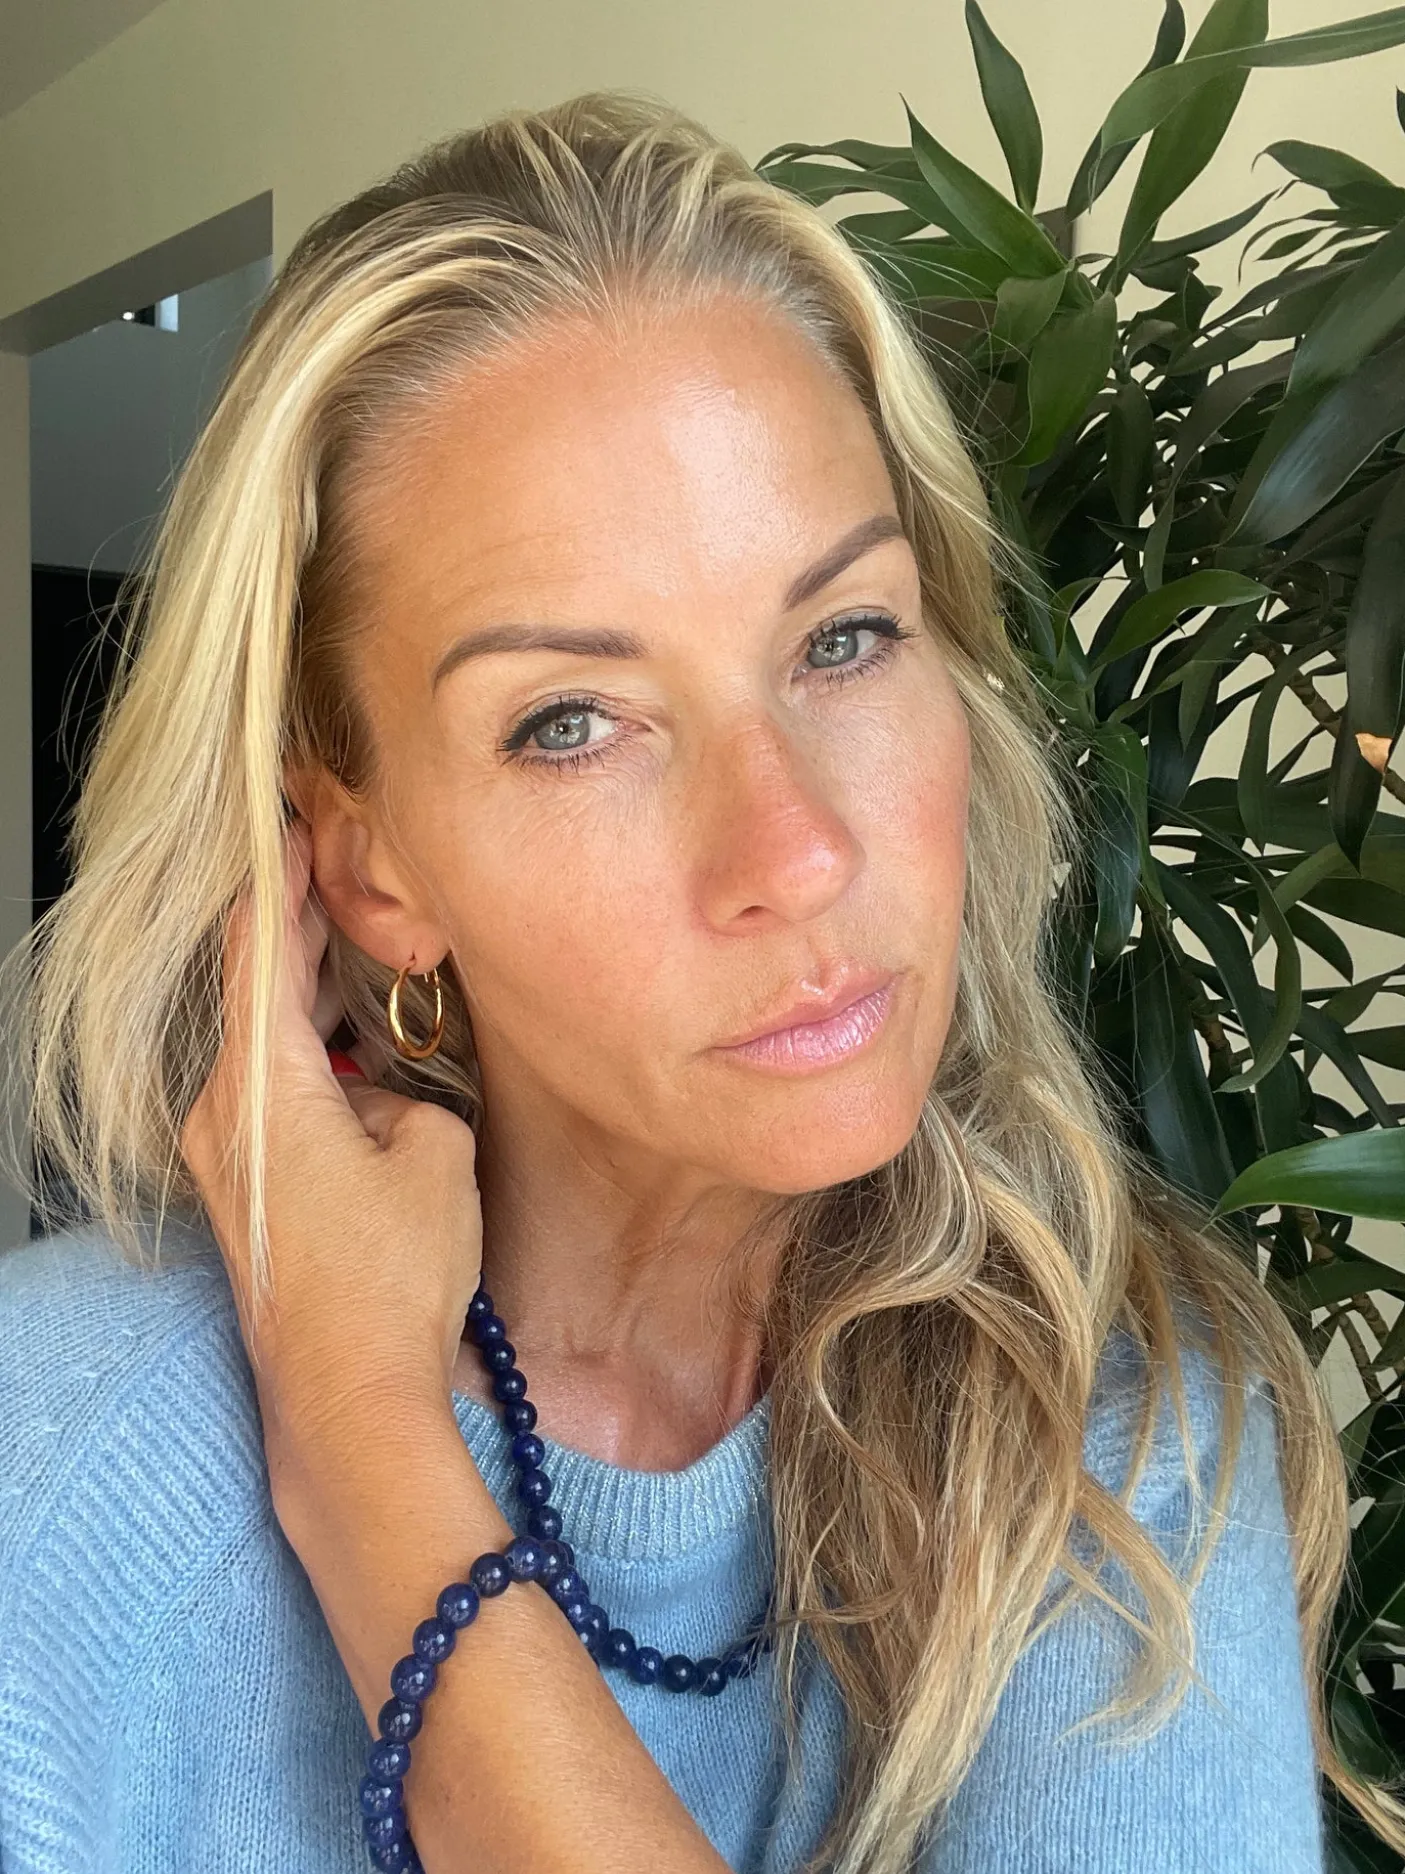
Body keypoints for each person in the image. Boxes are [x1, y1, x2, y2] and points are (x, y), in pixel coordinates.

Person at [0, 88, 1394, 1874]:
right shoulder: (60, 1464)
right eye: (571, 723)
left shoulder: (1110, 1444)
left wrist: (369, 1458)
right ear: (366, 866)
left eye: (845, 636)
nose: (796, 851)